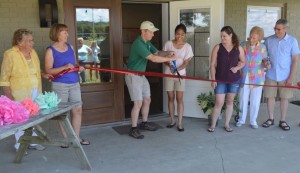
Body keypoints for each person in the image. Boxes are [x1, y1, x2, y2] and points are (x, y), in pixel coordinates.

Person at [125, 20, 177, 139]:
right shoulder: (138, 43)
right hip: (133, 75)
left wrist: (168, 53)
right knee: (138, 102)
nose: (153, 34)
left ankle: (144, 123)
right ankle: (133, 129)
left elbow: (158, 52)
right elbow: (153, 58)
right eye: (151, 32)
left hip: (141, 75)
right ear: (143, 31)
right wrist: (169, 59)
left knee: (147, 99)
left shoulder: (147, 43)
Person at [0, 28, 48, 153]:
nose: (32, 43)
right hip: (19, 92)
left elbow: (35, 71)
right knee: (20, 118)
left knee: (34, 117)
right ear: (19, 42)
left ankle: (31, 141)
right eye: (29, 41)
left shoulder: (33, 53)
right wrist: (9, 97)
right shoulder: (10, 54)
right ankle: (20, 145)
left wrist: (43, 74)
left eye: (32, 40)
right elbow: (4, 78)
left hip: (35, 90)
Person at [45, 23, 90, 145]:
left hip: (75, 83)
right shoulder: (50, 50)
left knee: (78, 110)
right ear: (57, 34)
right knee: (62, 114)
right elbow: (48, 70)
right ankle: (67, 140)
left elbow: (74, 64)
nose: (67, 34)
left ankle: (76, 138)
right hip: (60, 85)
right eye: (64, 32)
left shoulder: (70, 47)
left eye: (67, 32)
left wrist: (78, 68)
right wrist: (64, 67)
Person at [262, 19, 299, 131]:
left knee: (284, 98)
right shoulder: (269, 40)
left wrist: (290, 78)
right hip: (271, 74)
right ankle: (270, 118)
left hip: (285, 75)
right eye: (275, 28)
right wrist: (265, 62)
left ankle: (282, 120)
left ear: (285, 29)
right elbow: (264, 56)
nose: (276, 31)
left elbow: (295, 61)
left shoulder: (292, 41)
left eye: (278, 29)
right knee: (270, 97)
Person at [208, 26, 246, 132]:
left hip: (234, 79)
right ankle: (213, 125)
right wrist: (213, 79)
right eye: (221, 36)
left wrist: (237, 68)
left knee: (229, 101)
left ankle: (227, 124)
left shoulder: (238, 48)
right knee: (219, 103)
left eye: (224, 36)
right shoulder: (217, 47)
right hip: (220, 80)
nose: (222, 38)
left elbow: (243, 61)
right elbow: (212, 65)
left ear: (231, 35)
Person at [236, 26, 270, 129]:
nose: (251, 39)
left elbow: (265, 60)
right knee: (242, 98)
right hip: (244, 75)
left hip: (257, 76)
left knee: (255, 99)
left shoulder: (263, 47)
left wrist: (267, 64)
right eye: (250, 37)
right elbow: (237, 58)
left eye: (254, 38)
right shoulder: (243, 45)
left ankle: (253, 120)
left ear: (259, 38)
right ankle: (241, 119)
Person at [163, 23, 193, 132]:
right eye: (177, 34)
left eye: (182, 35)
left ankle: (180, 123)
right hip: (168, 74)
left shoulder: (188, 46)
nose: (179, 37)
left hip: (181, 75)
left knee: (179, 99)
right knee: (170, 98)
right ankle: (172, 120)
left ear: (185, 35)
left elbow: (186, 63)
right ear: (175, 34)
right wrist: (169, 66)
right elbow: (164, 59)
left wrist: (178, 69)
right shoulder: (168, 44)